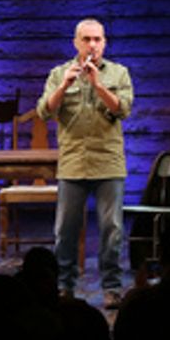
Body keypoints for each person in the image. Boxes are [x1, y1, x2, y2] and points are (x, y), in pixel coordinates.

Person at [36, 18, 133, 309]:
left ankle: (112, 287)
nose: (92, 45)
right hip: (73, 162)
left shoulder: (118, 72)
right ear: (76, 43)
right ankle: (65, 285)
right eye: (87, 39)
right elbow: (44, 111)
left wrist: (98, 85)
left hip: (108, 162)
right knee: (65, 229)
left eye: (98, 39)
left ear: (104, 42)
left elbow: (123, 109)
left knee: (111, 229)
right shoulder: (58, 73)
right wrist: (65, 84)